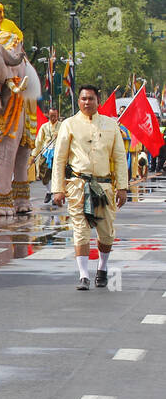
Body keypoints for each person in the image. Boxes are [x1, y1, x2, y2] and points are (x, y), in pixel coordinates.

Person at [51, 85, 128, 290]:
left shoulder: (111, 125)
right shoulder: (69, 125)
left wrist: (122, 187)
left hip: (104, 187)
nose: (87, 102)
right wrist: (58, 189)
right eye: (83, 99)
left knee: (106, 234)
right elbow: (59, 159)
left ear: (98, 101)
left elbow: (120, 158)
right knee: (80, 231)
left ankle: (102, 267)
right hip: (78, 186)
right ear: (79, 101)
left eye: (91, 99)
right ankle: (83, 275)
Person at [32, 107, 61, 203]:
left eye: (55, 116)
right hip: (46, 152)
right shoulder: (44, 127)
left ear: (58, 115)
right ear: (48, 115)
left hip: (58, 153)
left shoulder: (62, 126)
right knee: (44, 174)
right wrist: (34, 155)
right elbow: (39, 141)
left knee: (56, 175)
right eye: (51, 116)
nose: (53, 118)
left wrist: (60, 135)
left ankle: (54, 196)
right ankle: (49, 191)